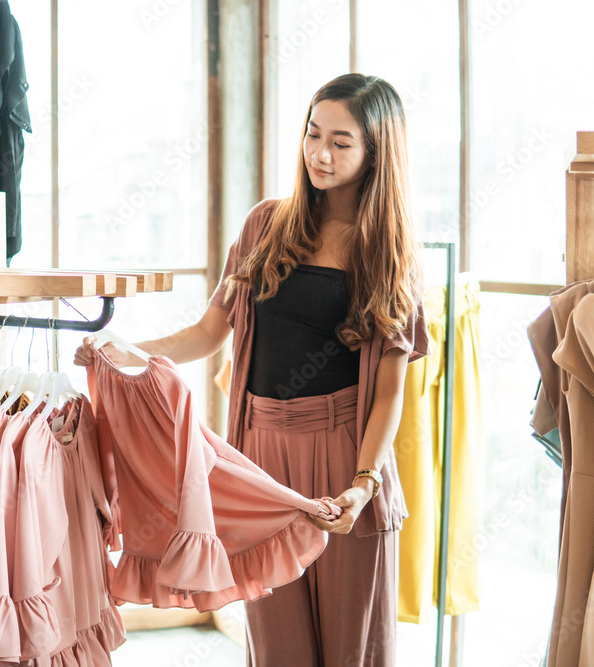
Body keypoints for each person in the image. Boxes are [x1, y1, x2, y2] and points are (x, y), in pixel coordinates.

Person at [75, 73, 429, 666]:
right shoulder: (265, 226)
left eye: (342, 143)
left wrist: (365, 483)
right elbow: (208, 333)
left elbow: (391, 390)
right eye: (313, 134)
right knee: (277, 644)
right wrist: (125, 350)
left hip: (346, 453)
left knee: (353, 650)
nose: (320, 153)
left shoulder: (388, 250)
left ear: (376, 152)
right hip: (257, 457)